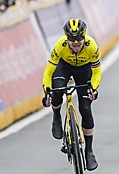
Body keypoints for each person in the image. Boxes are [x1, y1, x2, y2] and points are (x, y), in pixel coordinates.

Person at [41, 18, 100, 171]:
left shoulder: (91, 46)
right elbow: (48, 71)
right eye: (72, 39)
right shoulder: (60, 45)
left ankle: (89, 150)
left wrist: (93, 88)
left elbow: (96, 72)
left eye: (79, 39)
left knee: (86, 109)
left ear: (84, 37)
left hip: (84, 70)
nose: (75, 42)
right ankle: (56, 116)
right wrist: (47, 90)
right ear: (67, 38)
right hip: (64, 68)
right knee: (57, 91)